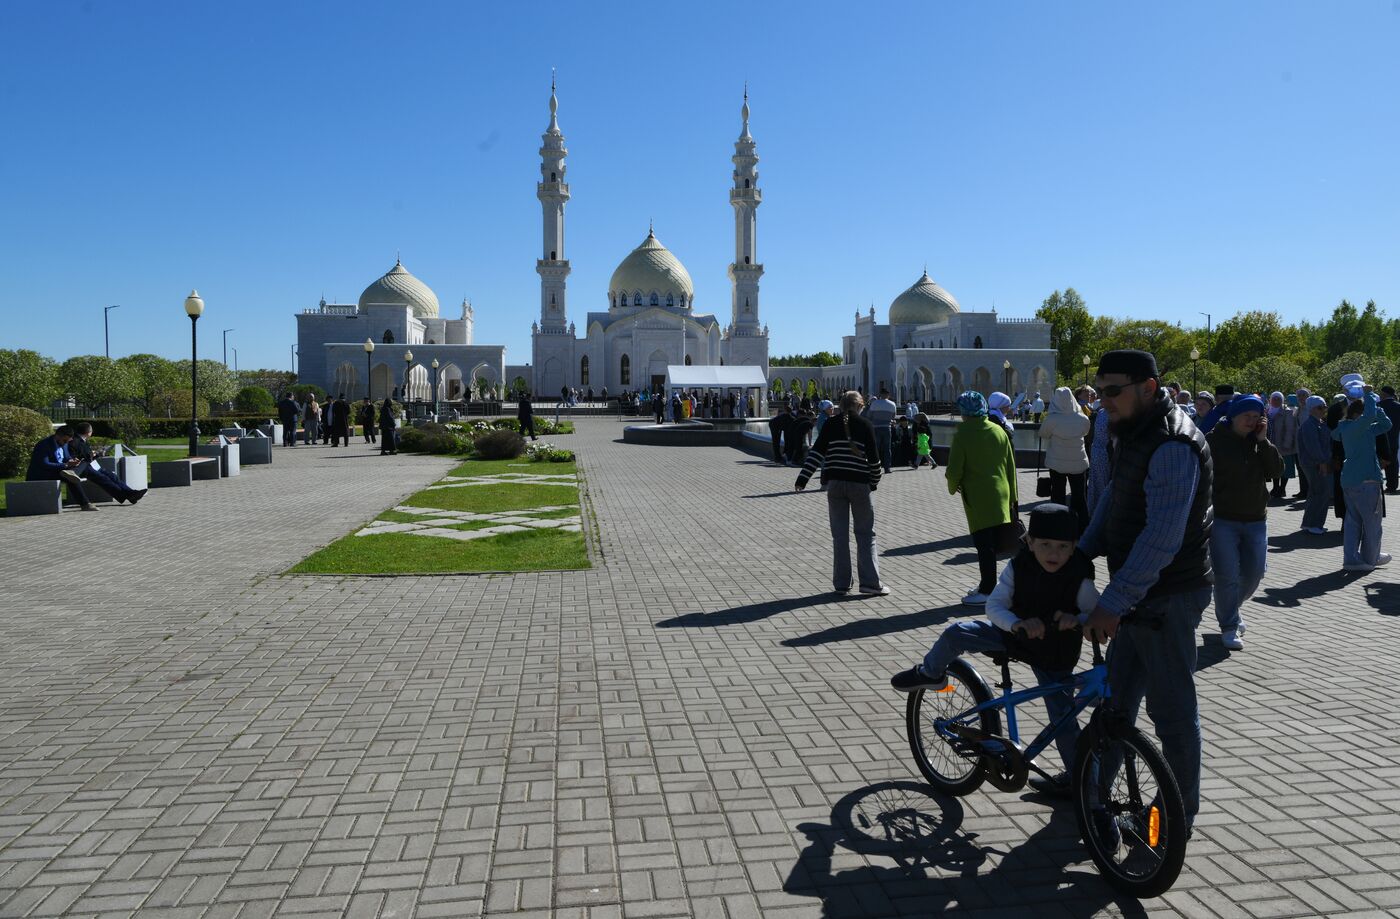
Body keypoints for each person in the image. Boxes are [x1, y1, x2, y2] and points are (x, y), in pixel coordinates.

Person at [1077, 349, 1213, 832]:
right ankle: (1091, 796)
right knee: (1116, 702)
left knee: (1172, 715)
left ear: (1148, 389)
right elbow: (1117, 495)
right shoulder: (1133, 432)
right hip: (1138, 593)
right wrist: (1081, 552)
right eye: (1101, 390)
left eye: (1112, 391)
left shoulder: (1174, 443)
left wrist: (1113, 601)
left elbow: (1162, 537)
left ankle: (1174, 819)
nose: (1102, 401)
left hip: (1168, 597)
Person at [891, 504, 1099, 795]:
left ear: (1075, 546)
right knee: (956, 632)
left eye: (1063, 547)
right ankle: (930, 672)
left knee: (1063, 721)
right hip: (1014, 636)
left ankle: (1079, 784)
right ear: (1029, 542)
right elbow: (994, 605)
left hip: (1054, 651)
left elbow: (1096, 613)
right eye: (1045, 545)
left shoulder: (1079, 575)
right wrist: (1015, 624)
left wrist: (1075, 619)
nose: (1054, 554)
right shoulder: (1019, 566)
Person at [1206, 395, 1281, 652]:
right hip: (1223, 520)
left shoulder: (1258, 442)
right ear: (1233, 416)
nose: (1251, 422)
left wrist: (1263, 441)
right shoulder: (1213, 441)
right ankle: (1228, 626)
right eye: (1246, 416)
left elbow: (1276, 472)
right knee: (1226, 576)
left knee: (1254, 573)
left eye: (1256, 417)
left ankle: (1230, 610)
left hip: (1256, 519)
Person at [795, 390, 887, 596]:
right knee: (865, 534)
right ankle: (870, 583)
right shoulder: (865, 425)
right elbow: (874, 461)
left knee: (840, 535)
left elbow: (816, 453)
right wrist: (873, 483)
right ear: (860, 405)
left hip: (835, 484)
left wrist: (803, 479)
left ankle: (842, 584)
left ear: (841, 405)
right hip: (859, 484)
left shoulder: (830, 424)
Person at [946, 391, 1018, 606]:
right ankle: (989, 585)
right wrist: (1013, 497)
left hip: (979, 496)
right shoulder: (998, 430)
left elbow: (954, 470)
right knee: (994, 543)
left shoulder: (964, 433)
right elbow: (1010, 466)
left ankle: (988, 590)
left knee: (983, 544)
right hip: (1002, 492)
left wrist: (952, 487)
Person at [1334, 383, 1393, 571]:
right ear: (1358, 414)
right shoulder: (1358, 427)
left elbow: (1386, 425)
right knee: (1372, 523)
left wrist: (1378, 407)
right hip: (1366, 481)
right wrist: (1368, 394)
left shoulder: (1351, 428)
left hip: (1351, 481)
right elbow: (1369, 416)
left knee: (1354, 522)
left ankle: (1359, 557)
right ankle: (1368, 558)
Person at [1039, 386, 1091, 532]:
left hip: (1057, 462)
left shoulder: (1052, 419)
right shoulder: (1082, 418)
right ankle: (1082, 527)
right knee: (1079, 496)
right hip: (1078, 462)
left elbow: (1043, 434)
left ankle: (1058, 527)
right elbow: (1086, 432)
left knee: (1058, 494)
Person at [66, 422, 148, 505]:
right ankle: (128, 495)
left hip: (91, 466)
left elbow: (88, 456)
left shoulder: (83, 441)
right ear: (88, 432)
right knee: (104, 478)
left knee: (112, 476)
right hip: (82, 469)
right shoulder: (74, 442)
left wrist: (97, 454)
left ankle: (130, 493)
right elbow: (75, 458)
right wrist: (90, 455)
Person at [26, 426, 100, 511]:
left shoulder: (64, 444)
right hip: (44, 473)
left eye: (67, 441)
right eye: (64, 441)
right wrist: (65, 465)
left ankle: (73, 472)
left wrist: (72, 461)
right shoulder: (44, 445)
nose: (65, 443)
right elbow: (44, 464)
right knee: (70, 478)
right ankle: (85, 504)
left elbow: (66, 457)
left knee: (85, 462)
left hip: (61, 470)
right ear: (57, 436)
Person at [1296, 395, 1332, 535]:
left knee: (1315, 493)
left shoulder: (1318, 423)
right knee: (1321, 493)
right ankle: (1315, 524)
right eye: (1320, 407)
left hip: (1315, 463)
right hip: (1315, 464)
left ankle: (1308, 523)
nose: (1323, 410)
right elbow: (1313, 447)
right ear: (1311, 409)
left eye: (1324, 407)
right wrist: (1322, 462)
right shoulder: (1310, 425)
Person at [1266, 392, 1298, 500]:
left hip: (1284, 445)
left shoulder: (1287, 412)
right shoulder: (1267, 411)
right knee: (1275, 467)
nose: (1275, 401)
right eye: (1273, 399)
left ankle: (1282, 488)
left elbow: (1290, 430)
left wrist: (1287, 444)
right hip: (1272, 444)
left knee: (1286, 468)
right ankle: (1275, 487)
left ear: (1282, 400)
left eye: (1278, 399)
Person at [866, 386, 898, 473]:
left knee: (876, 448)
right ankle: (887, 468)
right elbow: (893, 417)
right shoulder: (892, 404)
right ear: (888, 395)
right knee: (887, 449)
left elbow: (869, 416)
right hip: (887, 428)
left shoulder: (874, 403)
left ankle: (874, 467)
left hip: (875, 428)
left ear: (880, 394)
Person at [1379, 386, 1400, 494]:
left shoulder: (1378, 406)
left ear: (1384, 394)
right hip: (1394, 438)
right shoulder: (1398, 406)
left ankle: (1378, 485)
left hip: (1380, 438)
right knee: (1394, 463)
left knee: (1382, 461)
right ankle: (1393, 485)